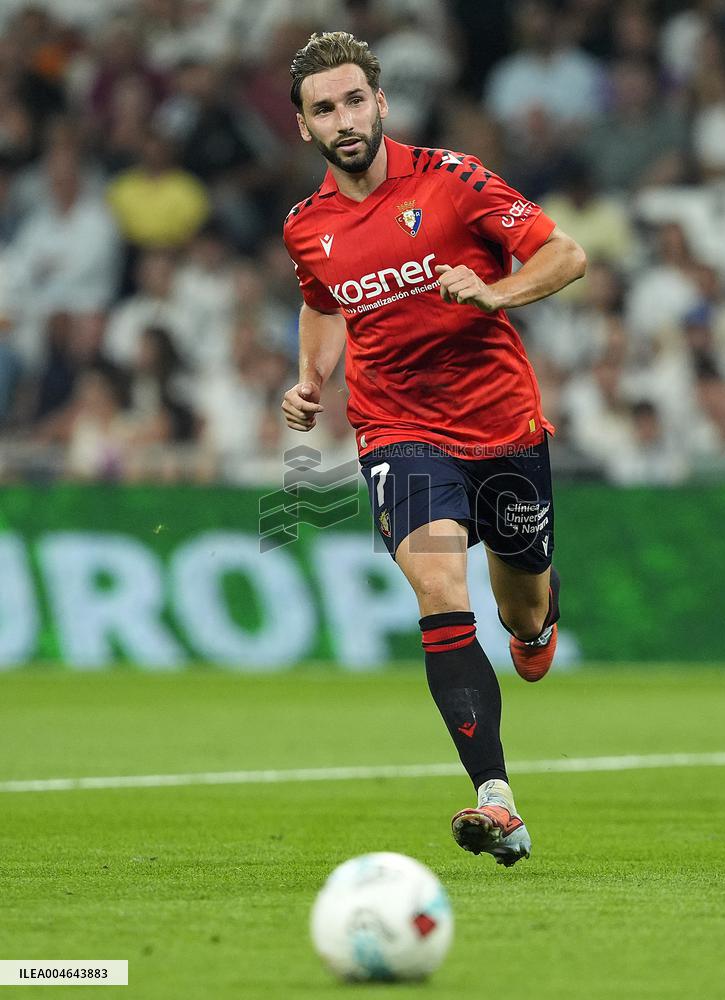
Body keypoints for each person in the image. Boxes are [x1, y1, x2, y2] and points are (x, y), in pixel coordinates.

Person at [280, 31, 586, 867]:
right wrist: (310, 377)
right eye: (322, 109)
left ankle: (538, 616)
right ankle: (497, 799)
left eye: (352, 100)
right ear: (303, 128)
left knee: (522, 613)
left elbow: (565, 253)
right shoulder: (307, 227)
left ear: (380, 103)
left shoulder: (452, 181)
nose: (341, 119)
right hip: (396, 429)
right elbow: (323, 300)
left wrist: (494, 291)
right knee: (440, 586)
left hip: (501, 424)